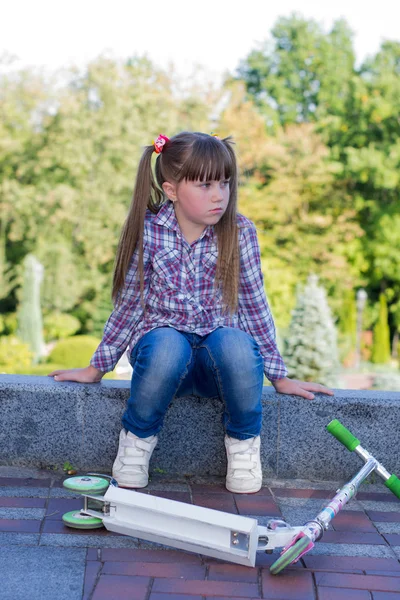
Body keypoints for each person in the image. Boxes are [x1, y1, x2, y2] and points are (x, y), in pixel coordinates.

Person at [49, 131, 334, 494]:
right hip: (165, 364)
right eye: (205, 185)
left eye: (225, 183)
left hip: (219, 366)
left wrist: (279, 376)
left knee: (235, 344)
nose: (219, 195)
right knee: (168, 344)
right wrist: (96, 368)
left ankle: (244, 445)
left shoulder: (240, 231)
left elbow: (254, 303)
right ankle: (136, 442)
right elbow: (129, 305)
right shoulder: (150, 231)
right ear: (171, 190)